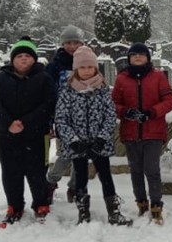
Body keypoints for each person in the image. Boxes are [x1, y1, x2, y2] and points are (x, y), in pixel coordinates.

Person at [55, 46, 130, 226]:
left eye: (90, 67)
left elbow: (110, 115)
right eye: (82, 67)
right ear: (76, 69)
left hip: (98, 142)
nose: (86, 71)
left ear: (95, 68)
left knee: (105, 175)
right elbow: (61, 119)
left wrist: (102, 138)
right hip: (78, 143)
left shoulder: (102, 89)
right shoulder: (67, 90)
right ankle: (83, 212)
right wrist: (73, 141)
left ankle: (114, 211)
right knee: (80, 176)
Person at [0, 37, 56, 226]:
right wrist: (8, 123)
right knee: (11, 171)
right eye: (19, 56)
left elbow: (49, 104)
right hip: (7, 134)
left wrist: (26, 122)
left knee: (37, 171)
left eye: (27, 56)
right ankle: (14, 205)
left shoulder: (43, 78)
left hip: (36, 133)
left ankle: (40, 202)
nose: (23, 59)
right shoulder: (1, 78)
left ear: (34, 59)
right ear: (13, 59)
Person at [112, 43, 172, 225]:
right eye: (134, 55)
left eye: (141, 55)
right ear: (129, 58)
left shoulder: (157, 76)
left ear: (147, 57)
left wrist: (152, 112)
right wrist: (125, 112)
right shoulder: (122, 78)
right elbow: (114, 103)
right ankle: (141, 202)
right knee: (136, 170)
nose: (138, 58)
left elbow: (169, 99)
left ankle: (156, 204)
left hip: (153, 131)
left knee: (152, 170)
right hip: (131, 132)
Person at [45, 25, 85, 203]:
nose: (72, 46)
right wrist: (51, 120)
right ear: (63, 44)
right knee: (67, 153)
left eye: (76, 42)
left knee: (82, 154)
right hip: (63, 117)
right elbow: (48, 93)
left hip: (84, 117)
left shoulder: (87, 61)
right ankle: (51, 182)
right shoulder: (55, 65)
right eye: (68, 43)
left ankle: (75, 187)